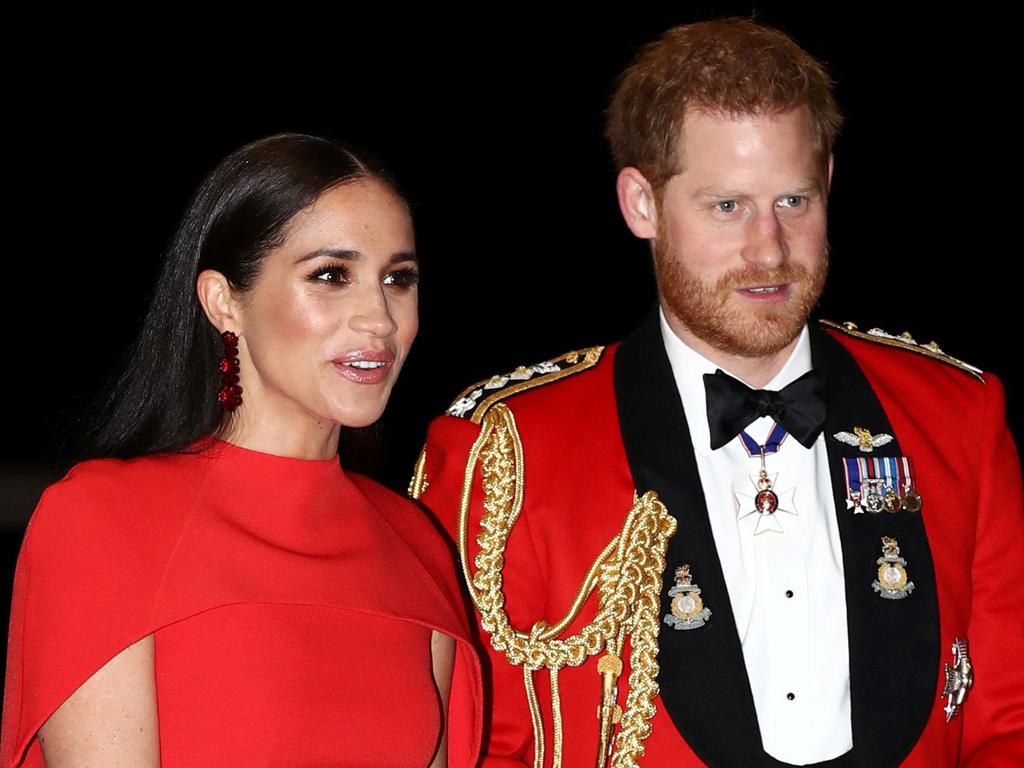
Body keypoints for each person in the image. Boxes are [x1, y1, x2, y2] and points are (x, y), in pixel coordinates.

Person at [412, 19, 1023, 767]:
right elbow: (480, 746)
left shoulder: (957, 413)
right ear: (642, 204)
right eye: (726, 207)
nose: (768, 249)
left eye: (793, 202)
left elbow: (1007, 724)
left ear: (828, 181)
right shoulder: (507, 450)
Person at [1, 134, 482, 767]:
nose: (380, 318)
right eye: (331, 275)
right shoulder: (104, 519)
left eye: (398, 278)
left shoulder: (415, 544)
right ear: (224, 301)